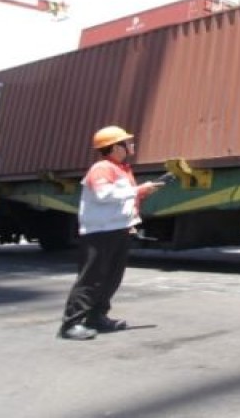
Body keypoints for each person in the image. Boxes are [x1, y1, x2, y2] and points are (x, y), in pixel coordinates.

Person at [57, 125, 165, 341]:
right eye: (127, 142)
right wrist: (138, 189)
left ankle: (97, 317)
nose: (131, 145)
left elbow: (122, 200)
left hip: (117, 230)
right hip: (99, 233)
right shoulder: (102, 168)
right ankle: (71, 324)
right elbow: (103, 194)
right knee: (91, 279)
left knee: (111, 278)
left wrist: (133, 215)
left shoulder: (121, 168)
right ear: (116, 147)